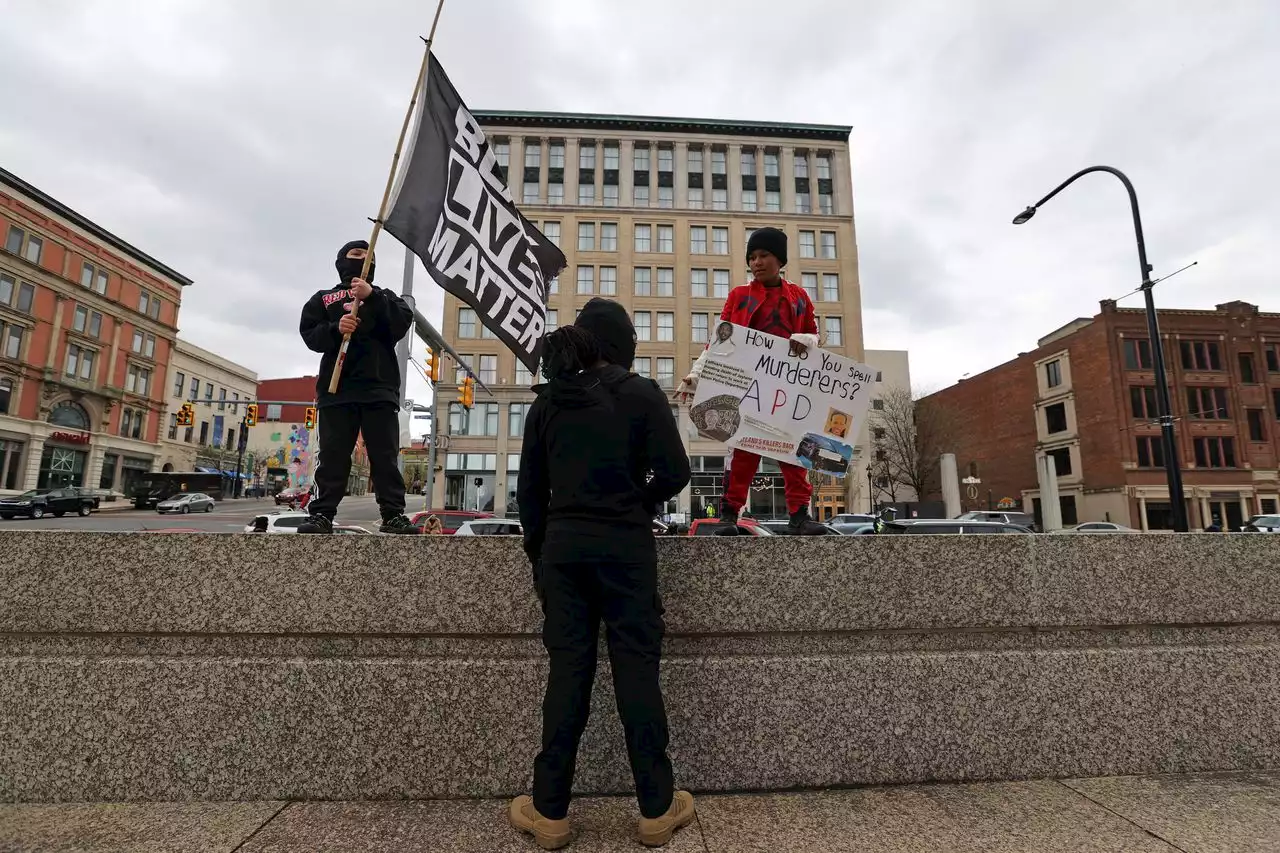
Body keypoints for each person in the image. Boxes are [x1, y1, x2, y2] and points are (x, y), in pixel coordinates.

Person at [510, 298, 694, 850]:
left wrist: (541, 559)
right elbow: (677, 473)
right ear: (622, 346)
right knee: (637, 674)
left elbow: (529, 497)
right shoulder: (641, 394)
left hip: (564, 555)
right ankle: (656, 811)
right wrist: (635, 502)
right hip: (626, 554)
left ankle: (550, 814)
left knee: (569, 675)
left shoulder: (548, 402)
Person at [677, 227, 826, 535]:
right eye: (752, 257)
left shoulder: (799, 296)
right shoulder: (739, 296)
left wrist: (807, 340)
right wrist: (696, 375)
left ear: (780, 260)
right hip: (746, 389)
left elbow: (815, 335)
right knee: (742, 452)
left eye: (764, 255)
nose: (756, 262)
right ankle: (729, 516)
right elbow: (719, 339)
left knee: (793, 451)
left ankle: (799, 514)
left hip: (786, 390)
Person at [296, 239, 418, 534]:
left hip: (379, 389)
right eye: (355, 254)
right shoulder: (323, 299)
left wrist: (372, 296)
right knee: (333, 456)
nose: (361, 258)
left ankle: (392, 515)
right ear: (342, 262)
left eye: (367, 255)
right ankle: (322, 513)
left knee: (384, 456)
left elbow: (401, 324)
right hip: (336, 391)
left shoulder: (386, 297)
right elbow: (309, 334)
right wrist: (334, 329)